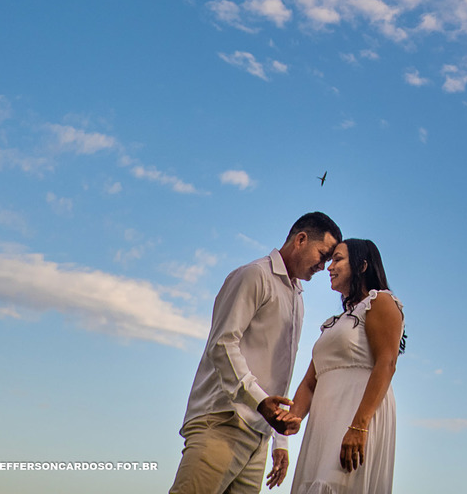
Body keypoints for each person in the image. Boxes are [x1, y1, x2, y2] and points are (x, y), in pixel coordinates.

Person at [169, 212, 342, 494]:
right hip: (222, 421)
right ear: (300, 240)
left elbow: (280, 372)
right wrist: (260, 402)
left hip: (258, 437)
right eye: (322, 255)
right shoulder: (254, 275)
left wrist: (280, 440)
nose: (323, 266)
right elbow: (222, 344)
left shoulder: (297, 297)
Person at [281, 238, 405, 494]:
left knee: (337, 482)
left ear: (361, 266)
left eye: (337, 259)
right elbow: (309, 382)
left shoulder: (380, 302)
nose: (329, 267)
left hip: (356, 416)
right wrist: (292, 418)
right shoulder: (334, 323)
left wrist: (359, 425)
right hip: (324, 421)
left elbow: (387, 362)